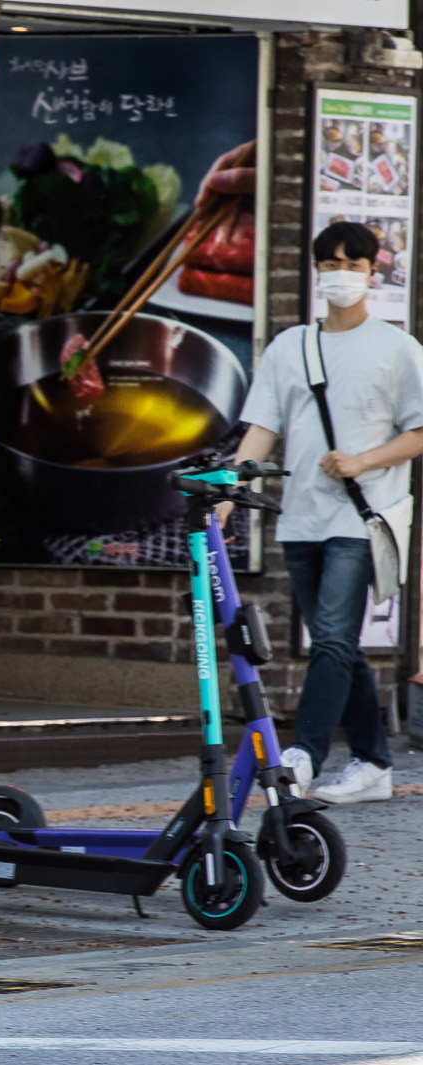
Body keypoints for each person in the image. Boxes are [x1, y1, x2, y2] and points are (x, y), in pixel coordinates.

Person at [223, 220, 423, 803]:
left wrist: (362, 462)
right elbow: (262, 427)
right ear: (316, 272)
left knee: (333, 636)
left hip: (364, 520)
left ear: (372, 273)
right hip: (301, 519)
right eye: (330, 264)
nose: (341, 274)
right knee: (338, 643)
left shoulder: (398, 349)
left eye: (353, 265)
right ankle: (373, 764)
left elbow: (419, 432)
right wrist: (231, 492)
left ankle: (303, 755)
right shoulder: (290, 347)